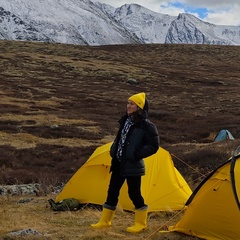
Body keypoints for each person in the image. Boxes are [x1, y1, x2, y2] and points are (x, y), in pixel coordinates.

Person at [91, 92, 160, 233]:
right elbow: (120, 139)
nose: (128, 106)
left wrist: (135, 154)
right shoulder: (125, 121)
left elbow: (154, 146)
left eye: (131, 103)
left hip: (133, 165)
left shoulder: (146, 125)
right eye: (128, 103)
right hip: (118, 162)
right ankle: (105, 221)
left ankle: (141, 223)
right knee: (112, 191)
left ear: (139, 106)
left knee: (134, 193)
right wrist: (113, 149)